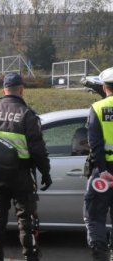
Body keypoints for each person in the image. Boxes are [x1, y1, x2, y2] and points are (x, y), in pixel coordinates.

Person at [0, 72, 52, 261]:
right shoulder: (27, 115)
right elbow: (38, 149)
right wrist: (45, 172)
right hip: (21, 175)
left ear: (3, 90)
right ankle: (30, 256)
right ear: (21, 90)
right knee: (26, 220)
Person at [84, 67, 113, 261]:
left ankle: (100, 254)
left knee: (94, 215)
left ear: (104, 87)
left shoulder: (98, 108)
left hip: (105, 171)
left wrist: (102, 170)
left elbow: (95, 143)